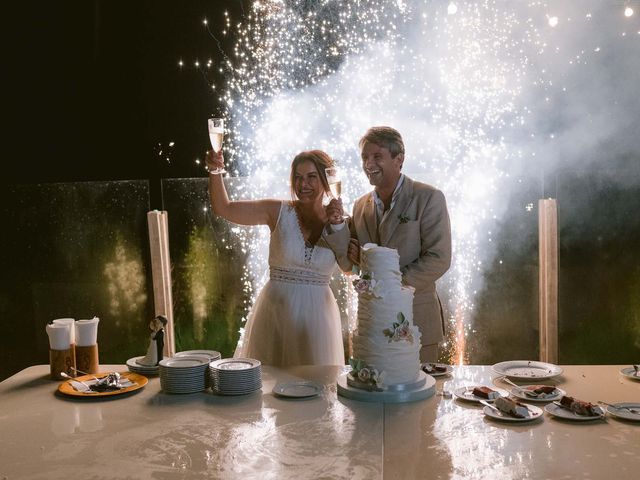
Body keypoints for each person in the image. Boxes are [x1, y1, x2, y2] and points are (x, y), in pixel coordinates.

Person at [204, 148, 345, 366]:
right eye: (297, 177)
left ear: (327, 179)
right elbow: (224, 208)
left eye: (311, 177)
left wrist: (339, 226)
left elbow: (351, 269)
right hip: (276, 312)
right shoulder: (277, 211)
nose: (303, 184)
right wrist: (215, 171)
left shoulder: (342, 222)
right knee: (270, 387)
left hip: (319, 320)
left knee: (317, 388)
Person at [323, 126, 452, 363]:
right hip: (374, 324)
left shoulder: (428, 197)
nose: (368, 164)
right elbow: (348, 264)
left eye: (377, 157)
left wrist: (389, 283)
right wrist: (337, 224)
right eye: (364, 157)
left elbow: (439, 258)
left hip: (417, 320)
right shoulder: (360, 206)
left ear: (399, 159)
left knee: (420, 397)